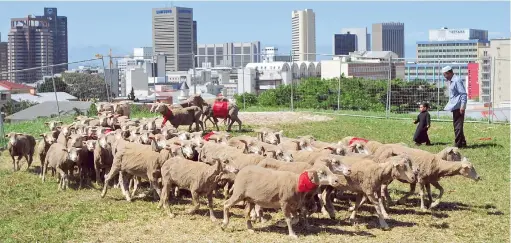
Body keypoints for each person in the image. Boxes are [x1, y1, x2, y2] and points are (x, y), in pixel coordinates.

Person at [442, 66, 468, 148]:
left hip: (459, 107)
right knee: (457, 126)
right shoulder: (452, 81)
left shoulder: (457, 80)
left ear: (448, 73)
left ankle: (458, 144)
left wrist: (462, 106)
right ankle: (463, 143)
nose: (444, 77)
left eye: (444, 75)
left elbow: (463, 94)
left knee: (457, 127)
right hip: (455, 106)